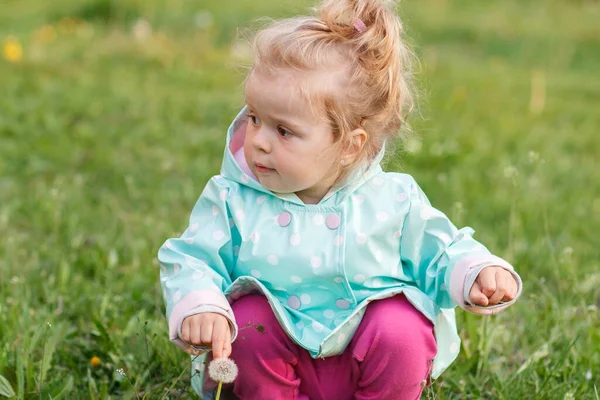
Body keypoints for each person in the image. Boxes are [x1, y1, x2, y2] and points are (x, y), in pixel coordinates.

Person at [158, 0, 523, 398]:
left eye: (283, 131)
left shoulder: (391, 200)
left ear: (350, 145)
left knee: (401, 326)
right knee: (250, 323)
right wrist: (200, 304)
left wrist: (475, 270)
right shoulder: (233, 199)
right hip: (272, 369)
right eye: (254, 117)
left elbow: (440, 250)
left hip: (362, 367)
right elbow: (193, 257)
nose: (258, 141)